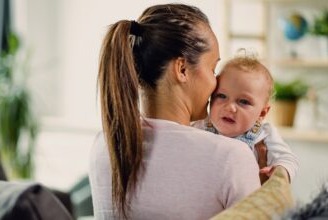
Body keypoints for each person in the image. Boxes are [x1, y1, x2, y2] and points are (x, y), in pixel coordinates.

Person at [89, 4, 261, 220]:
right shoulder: (231, 157)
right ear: (182, 69)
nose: (217, 83)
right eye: (212, 69)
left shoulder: (105, 145)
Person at [204, 55, 299, 183]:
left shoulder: (264, 133)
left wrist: (280, 171)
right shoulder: (200, 127)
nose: (230, 107)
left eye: (243, 101)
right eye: (221, 96)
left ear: (262, 113)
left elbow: (287, 158)